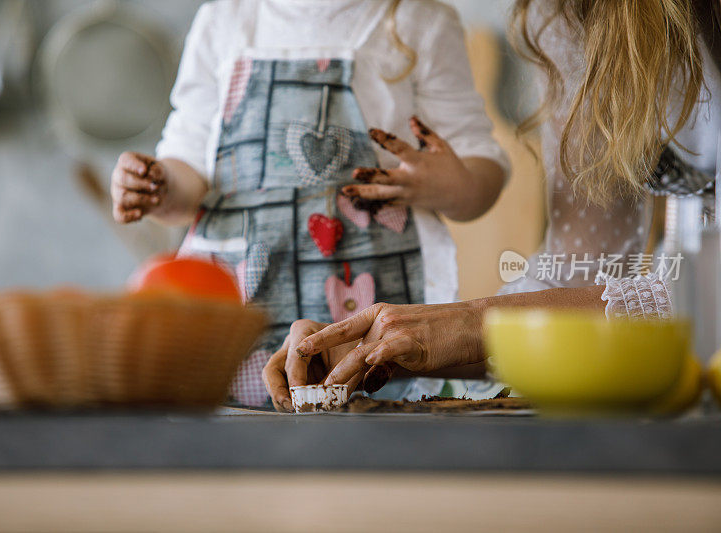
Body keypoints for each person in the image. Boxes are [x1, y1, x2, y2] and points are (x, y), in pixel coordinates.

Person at [263, 0, 721, 410]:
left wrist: (475, 323)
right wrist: (387, 345)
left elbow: (700, 307)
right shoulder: (572, 15)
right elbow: (577, 275)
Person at [110, 0, 508, 407]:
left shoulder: (418, 22)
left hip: (373, 315)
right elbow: (190, 175)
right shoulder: (225, 20)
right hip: (240, 309)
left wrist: (449, 185)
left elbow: (479, 164)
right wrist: (158, 186)